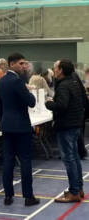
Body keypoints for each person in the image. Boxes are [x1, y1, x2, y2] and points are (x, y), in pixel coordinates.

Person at [0, 53, 39, 206]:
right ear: (12, 64)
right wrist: (27, 89)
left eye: (24, 63)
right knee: (25, 161)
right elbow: (32, 102)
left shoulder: (1, 81)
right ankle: (28, 197)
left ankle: (8, 196)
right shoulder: (18, 81)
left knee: (8, 161)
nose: (24, 66)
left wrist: (3, 122)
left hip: (7, 126)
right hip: (21, 126)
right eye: (21, 64)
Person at [45, 59, 86, 203]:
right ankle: (78, 188)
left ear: (61, 70)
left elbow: (61, 105)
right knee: (74, 158)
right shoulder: (74, 82)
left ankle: (74, 192)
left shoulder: (63, 86)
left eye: (55, 68)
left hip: (66, 127)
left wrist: (49, 103)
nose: (54, 70)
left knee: (69, 160)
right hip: (75, 125)